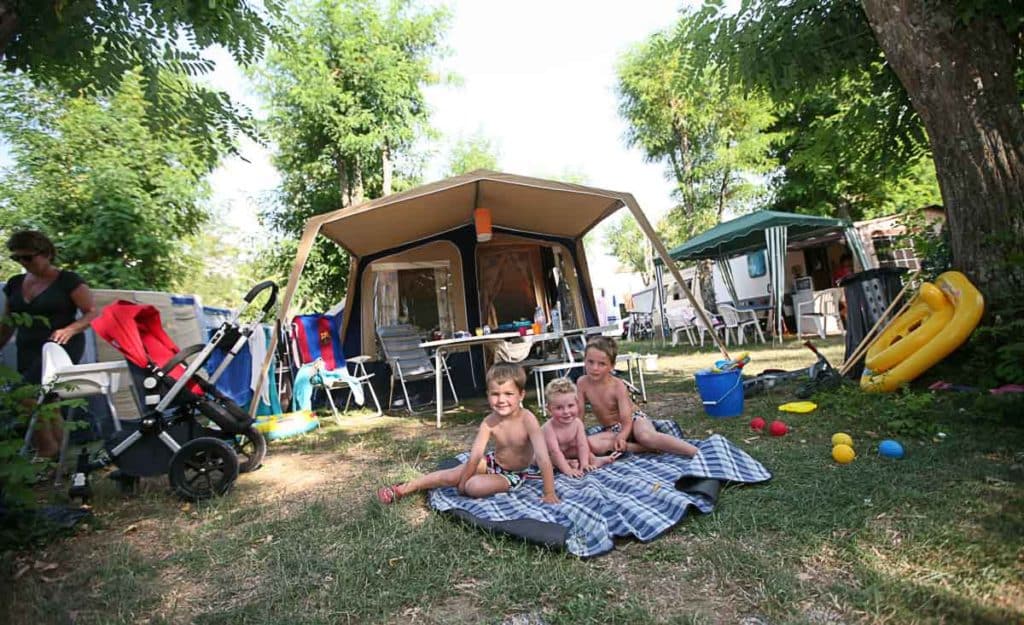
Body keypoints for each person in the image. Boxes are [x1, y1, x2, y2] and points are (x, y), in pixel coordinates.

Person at [377, 362, 559, 504]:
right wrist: (461, 482)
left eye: (508, 394)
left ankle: (479, 481)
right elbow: (474, 457)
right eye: (495, 394)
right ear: (488, 394)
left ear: (521, 395)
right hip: (491, 463)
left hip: (514, 473)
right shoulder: (489, 422)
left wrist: (549, 493)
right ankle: (402, 489)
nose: (501, 400)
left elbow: (543, 458)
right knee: (450, 476)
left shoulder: (528, 419)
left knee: (474, 486)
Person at [0, 230, 97, 458]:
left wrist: (70, 329)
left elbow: (92, 313)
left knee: (25, 395)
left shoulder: (68, 281)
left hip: (59, 347)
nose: (23, 263)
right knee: (48, 402)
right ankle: (60, 457)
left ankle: (46, 450)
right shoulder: (14, 284)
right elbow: (8, 322)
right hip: (29, 349)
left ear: (46, 254)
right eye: (17, 258)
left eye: (28, 257)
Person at [579, 336, 698, 458]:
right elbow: (579, 415)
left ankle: (695, 452)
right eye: (590, 362)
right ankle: (645, 449)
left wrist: (622, 436)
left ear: (612, 366)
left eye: (602, 364)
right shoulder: (582, 383)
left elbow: (627, 420)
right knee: (590, 444)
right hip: (612, 429)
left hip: (633, 420)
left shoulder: (617, 386)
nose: (594, 368)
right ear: (584, 360)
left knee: (646, 436)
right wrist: (575, 434)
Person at [541, 377, 617, 478]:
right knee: (545, 460)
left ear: (577, 404)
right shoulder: (548, 428)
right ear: (549, 409)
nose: (566, 412)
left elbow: (582, 445)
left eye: (570, 406)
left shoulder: (577, 423)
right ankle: (567, 464)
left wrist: (584, 464)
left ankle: (592, 459)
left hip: (565, 452)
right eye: (559, 408)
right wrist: (568, 471)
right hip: (547, 454)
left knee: (581, 447)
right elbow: (555, 452)